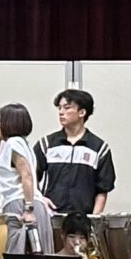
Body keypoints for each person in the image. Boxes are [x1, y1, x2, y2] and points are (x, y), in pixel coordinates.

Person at [36, 88, 113, 219]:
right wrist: (40, 199)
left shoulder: (99, 148)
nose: (61, 112)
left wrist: (94, 219)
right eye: (59, 108)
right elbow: (30, 177)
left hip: (83, 219)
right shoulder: (47, 144)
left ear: (82, 112)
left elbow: (102, 189)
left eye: (67, 108)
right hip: (50, 216)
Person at [0, 106, 48, 254]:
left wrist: (28, 209)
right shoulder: (15, 144)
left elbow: (26, 175)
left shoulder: (14, 143)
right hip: (19, 202)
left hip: (21, 203)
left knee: (18, 256)